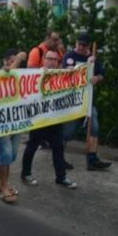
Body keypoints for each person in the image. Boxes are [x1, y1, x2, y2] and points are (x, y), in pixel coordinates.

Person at [20, 50, 78, 189]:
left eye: (55, 60)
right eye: (49, 59)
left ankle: (61, 177)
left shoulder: (61, 76)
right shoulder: (35, 74)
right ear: (44, 60)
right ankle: (26, 173)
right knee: (32, 145)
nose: (52, 61)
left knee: (58, 147)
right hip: (39, 118)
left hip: (55, 118)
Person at [62, 33, 111, 171]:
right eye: (79, 44)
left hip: (88, 100)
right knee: (67, 131)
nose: (81, 47)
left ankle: (92, 158)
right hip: (72, 100)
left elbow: (101, 74)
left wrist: (97, 78)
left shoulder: (93, 59)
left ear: (89, 46)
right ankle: (59, 157)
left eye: (84, 45)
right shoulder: (69, 57)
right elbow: (63, 73)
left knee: (93, 126)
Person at [0, 49, 28, 204]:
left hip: (16, 121)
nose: (15, 62)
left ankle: (0, 182)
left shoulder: (20, 76)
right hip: (1, 122)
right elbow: (8, 75)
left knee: (11, 154)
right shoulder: (3, 73)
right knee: (6, 153)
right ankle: (4, 186)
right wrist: (19, 60)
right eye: (12, 60)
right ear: (5, 61)